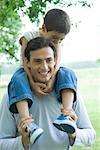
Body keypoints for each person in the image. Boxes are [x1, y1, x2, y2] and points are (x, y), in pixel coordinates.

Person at [0, 37, 96, 150]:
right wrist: (23, 141)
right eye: (37, 61)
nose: (44, 67)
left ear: (55, 60)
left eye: (49, 60)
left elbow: (91, 136)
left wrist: (73, 133)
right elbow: (2, 143)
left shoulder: (69, 93)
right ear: (27, 63)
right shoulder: (12, 97)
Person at [8, 8, 77, 144]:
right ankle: (28, 124)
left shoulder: (56, 42)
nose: (57, 42)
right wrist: (32, 83)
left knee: (68, 73)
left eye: (61, 40)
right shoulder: (28, 37)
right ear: (43, 28)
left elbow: (56, 64)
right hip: (27, 70)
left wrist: (51, 81)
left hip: (50, 74)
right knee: (17, 79)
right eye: (54, 38)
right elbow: (25, 62)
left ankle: (67, 116)